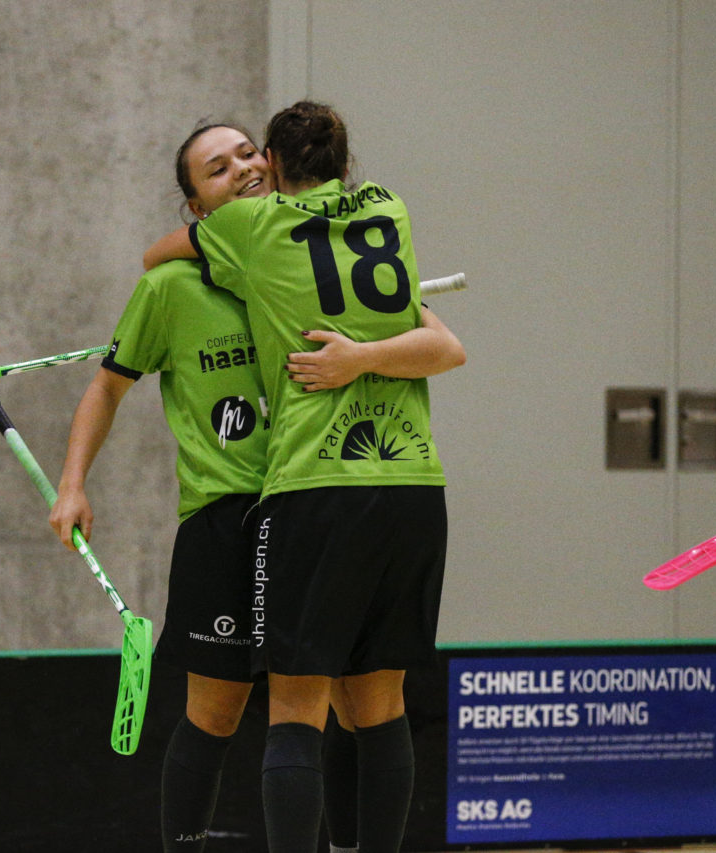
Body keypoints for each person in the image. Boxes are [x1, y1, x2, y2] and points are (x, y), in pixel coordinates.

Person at [51, 120, 464, 853]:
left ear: (272, 162)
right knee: (217, 710)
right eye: (217, 167)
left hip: (309, 502)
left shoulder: (305, 253)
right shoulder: (170, 286)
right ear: (196, 206)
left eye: (247, 152)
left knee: (343, 696)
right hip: (225, 515)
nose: (240, 167)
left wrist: (364, 355)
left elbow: (443, 345)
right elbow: (106, 389)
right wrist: (72, 483)